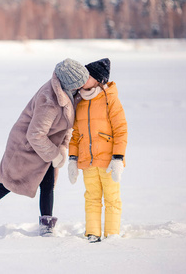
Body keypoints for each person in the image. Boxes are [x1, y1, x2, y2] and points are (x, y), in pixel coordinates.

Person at [0, 58, 89, 238]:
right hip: (26, 149)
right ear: (70, 82)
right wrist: (54, 154)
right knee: (6, 184)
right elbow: (35, 134)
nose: (84, 86)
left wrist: (62, 147)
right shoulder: (50, 100)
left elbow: (67, 125)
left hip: (45, 148)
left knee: (47, 185)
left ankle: (47, 225)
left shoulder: (68, 93)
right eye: (80, 83)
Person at [67, 58, 128, 243]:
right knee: (92, 198)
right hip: (87, 161)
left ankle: (112, 234)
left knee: (112, 199)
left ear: (98, 79)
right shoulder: (80, 101)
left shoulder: (110, 100)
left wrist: (118, 158)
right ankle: (92, 233)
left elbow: (121, 130)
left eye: (88, 76)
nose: (83, 79)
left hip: (108, 161)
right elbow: (75, 134)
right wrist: (72, 159)